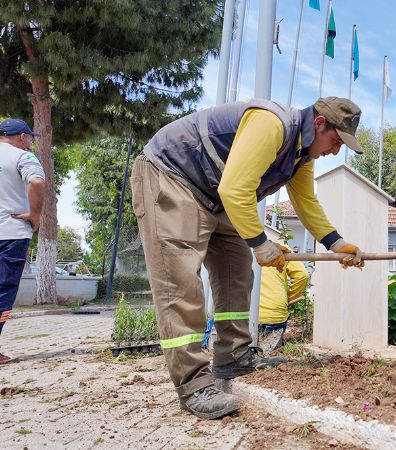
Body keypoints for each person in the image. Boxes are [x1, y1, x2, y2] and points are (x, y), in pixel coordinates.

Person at [131, 96, 365, 419]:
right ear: (319, 124)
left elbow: (306, 202)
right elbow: (235, 190)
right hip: (171, 174)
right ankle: (193, 382)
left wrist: (337, 244)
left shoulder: (300, 156)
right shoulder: (273, 125)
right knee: (180, 281)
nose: (335, 151)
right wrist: (261, 243)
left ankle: (232, 355)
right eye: (336, 141)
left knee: (237, 269)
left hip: (213, 193)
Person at [0, 119, 45, 364]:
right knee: (3, 291)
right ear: (21, 137)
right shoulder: (23, 157)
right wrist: (34, 215)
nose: (30, 142)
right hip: (11, 233)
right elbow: (37, 181)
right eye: (30, 137)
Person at [257, 238, 309, 352]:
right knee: (267, 355)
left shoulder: (239, 247)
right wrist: (289, 297)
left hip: (242, 316)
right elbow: (303, 275)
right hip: (274, 315)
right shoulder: (281, 248)